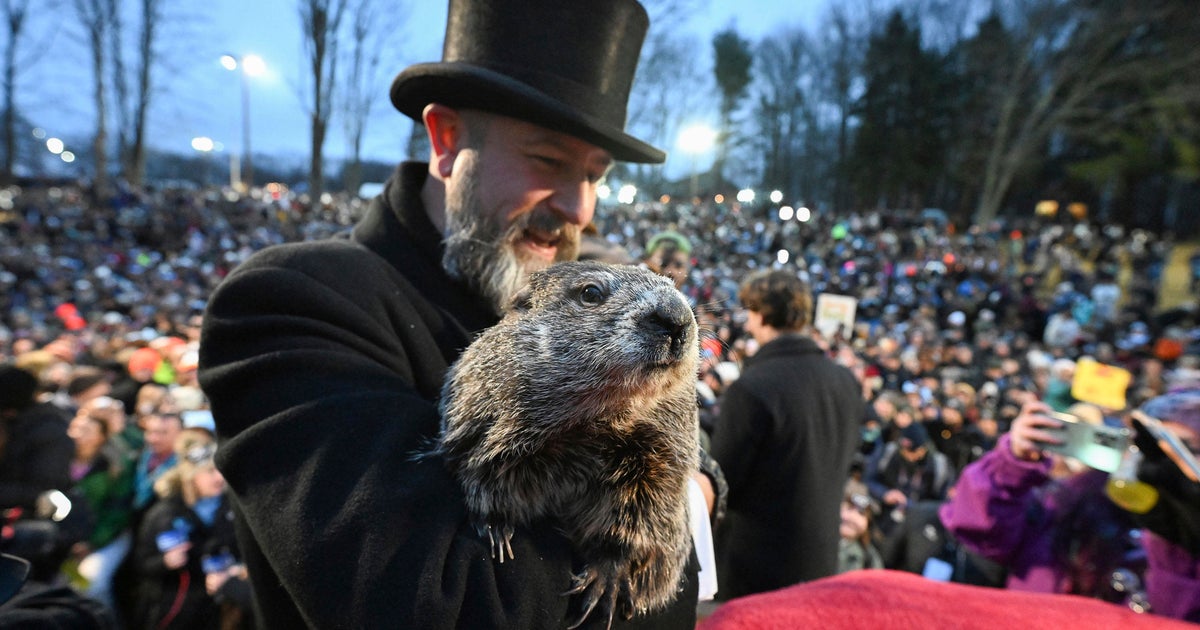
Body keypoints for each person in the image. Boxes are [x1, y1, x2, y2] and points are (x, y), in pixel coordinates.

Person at [198, 1, 704, 627]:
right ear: (446, 140)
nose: (579, 208)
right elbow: (432, 603)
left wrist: (685, 493)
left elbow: (692, 460)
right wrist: (688, 510)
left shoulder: (598, 274)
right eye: (547, 160)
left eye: (595, 175)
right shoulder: (291, 299)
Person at [938, 398, 1200, 620]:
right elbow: (981, 530)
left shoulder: (1185, 541)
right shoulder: (1070, 502)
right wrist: (1011, 465)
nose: (1161, 459)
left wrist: (1179, 541)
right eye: (1150, 444)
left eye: (1184, 447)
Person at [708, 269, 865, 600]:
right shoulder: (845, 382)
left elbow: (723, 482)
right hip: (820, 560)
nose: (747, 324)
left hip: (756, 568)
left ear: (762, 315)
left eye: (750, 313)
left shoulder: (752, 388)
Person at [131, 429, 240, 630]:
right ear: (191, 476)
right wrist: (164, 562)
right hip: (176, 601)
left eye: (219, 470)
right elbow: (141, 563)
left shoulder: (233, 505)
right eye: (209, 471)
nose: (218, 478)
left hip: (224, 598)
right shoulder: (165, 513)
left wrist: (237, 570)